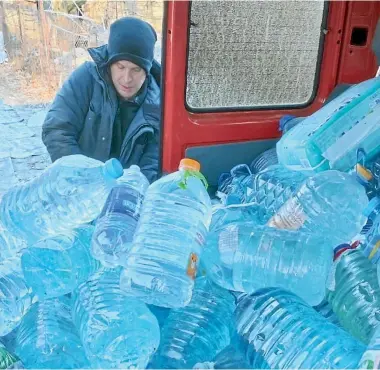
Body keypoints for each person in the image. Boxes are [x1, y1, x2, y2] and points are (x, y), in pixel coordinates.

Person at [42, 17, 161, 183]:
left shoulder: (157, 106)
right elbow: (57, 129)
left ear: (146, 72)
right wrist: (82, 177)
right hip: (78, 184)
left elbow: (152, 162)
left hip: (126, 193)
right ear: (109, 63)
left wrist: (132, 189)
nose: (127, 78)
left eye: (136, 70)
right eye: (120, 67)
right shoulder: (85, 79)